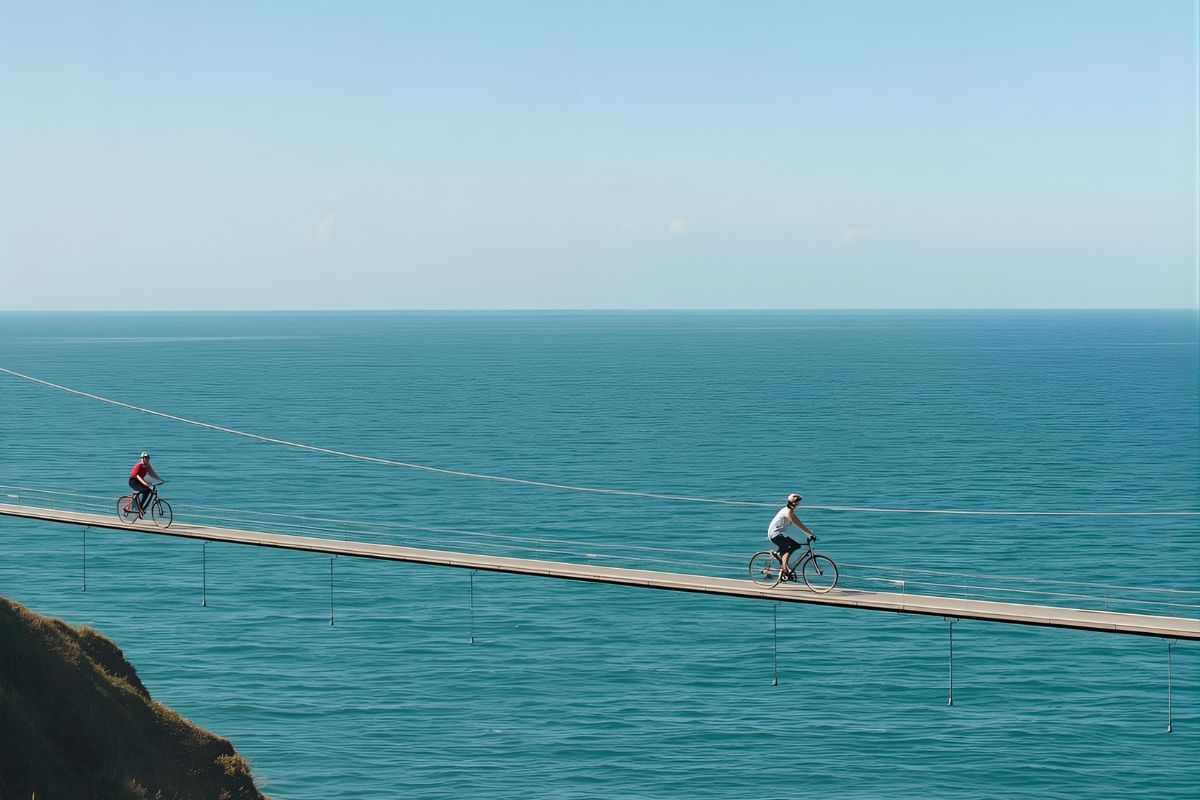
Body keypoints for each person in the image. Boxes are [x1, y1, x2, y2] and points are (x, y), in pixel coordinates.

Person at [767, 493, 815, 581]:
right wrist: (809, 534)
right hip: (774, 534)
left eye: (798, 502)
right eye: (796, 502)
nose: (798, 504)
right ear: (792, 503)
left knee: (796, 545)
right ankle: (784, 569)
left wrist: (809, 533)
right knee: (788, 547)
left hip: (778, 533)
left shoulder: (790, 511)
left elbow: (799, 522)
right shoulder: (787, 512)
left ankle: (781, 559)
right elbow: (797, 524)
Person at [128, 451, 163, 518]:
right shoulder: (139, 465)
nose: (147, 459)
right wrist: (145, 483)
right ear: (142, 458)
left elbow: (153, 474)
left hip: (140, 481)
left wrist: (160, 480)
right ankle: (139, 508)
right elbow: (137, 476)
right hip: (133, 481)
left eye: (148, 457)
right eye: (146, 457)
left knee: (149, 490)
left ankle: (140, 507)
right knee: (146, 490)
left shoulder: (148, 466)